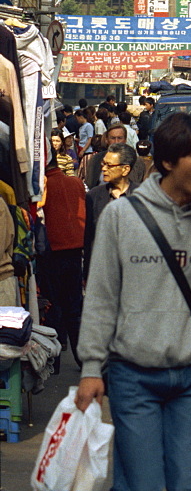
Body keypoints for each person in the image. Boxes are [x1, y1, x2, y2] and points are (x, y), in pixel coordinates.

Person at [75, 112, 191, 491]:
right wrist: (92, 366)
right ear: (169, 161)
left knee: (190, 482)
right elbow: (101, 296)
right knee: (142, 482)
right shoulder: (122, 216)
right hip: (133, 375)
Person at [41, 154, 86, 366]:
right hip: (75, 251)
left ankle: (55, 361)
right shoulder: (75, 182)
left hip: (53, 252)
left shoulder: (45, 185)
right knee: (73, 307)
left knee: (55, 306)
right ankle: (81, 359)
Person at [83, 143, 139, 279]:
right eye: (103, 164)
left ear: (125, 169)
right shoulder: (94, 196)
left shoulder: (143, 197)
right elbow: (89, 238)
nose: (104, 169)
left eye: (109, 165)